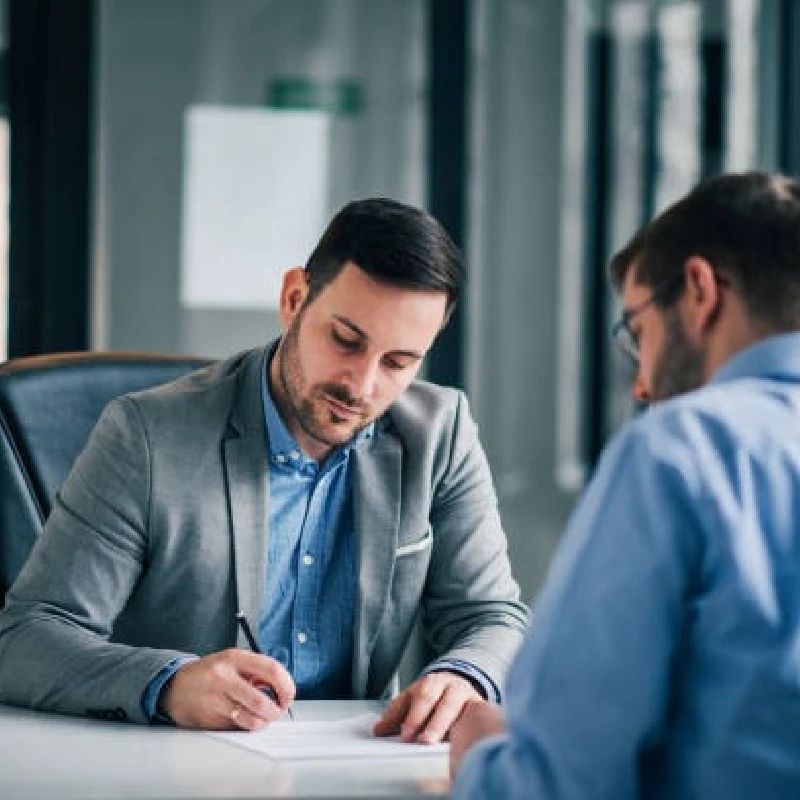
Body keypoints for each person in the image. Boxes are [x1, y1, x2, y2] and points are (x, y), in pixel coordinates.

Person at [0, 197, 528, 741]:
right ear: (294, 298)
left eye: (399, 362)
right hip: (178, 768)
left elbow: (491, 616)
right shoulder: (145, 436)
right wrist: (169, 684)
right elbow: (25, 639)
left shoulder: (441, 433)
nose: (363, 386)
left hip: (358, 769)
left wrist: (465, 675)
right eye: (346, 341)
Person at [449, 172, 800, 798]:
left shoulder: (682, 449)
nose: (640, 386)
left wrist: (484, 757)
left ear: (699, 290)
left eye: (639, 333)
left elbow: (560, 782)